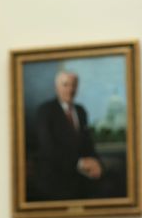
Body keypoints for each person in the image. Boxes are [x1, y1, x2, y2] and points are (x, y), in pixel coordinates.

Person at [29, 71, 104, 201]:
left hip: (79, 178)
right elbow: (48, 148)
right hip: (53, 178)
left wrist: (97, 163)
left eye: (73, 85)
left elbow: (88, 144)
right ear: (56, 88)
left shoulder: (80, 111)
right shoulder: (45, 111)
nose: (70, 89)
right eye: (65, 85)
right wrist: (79, 163)